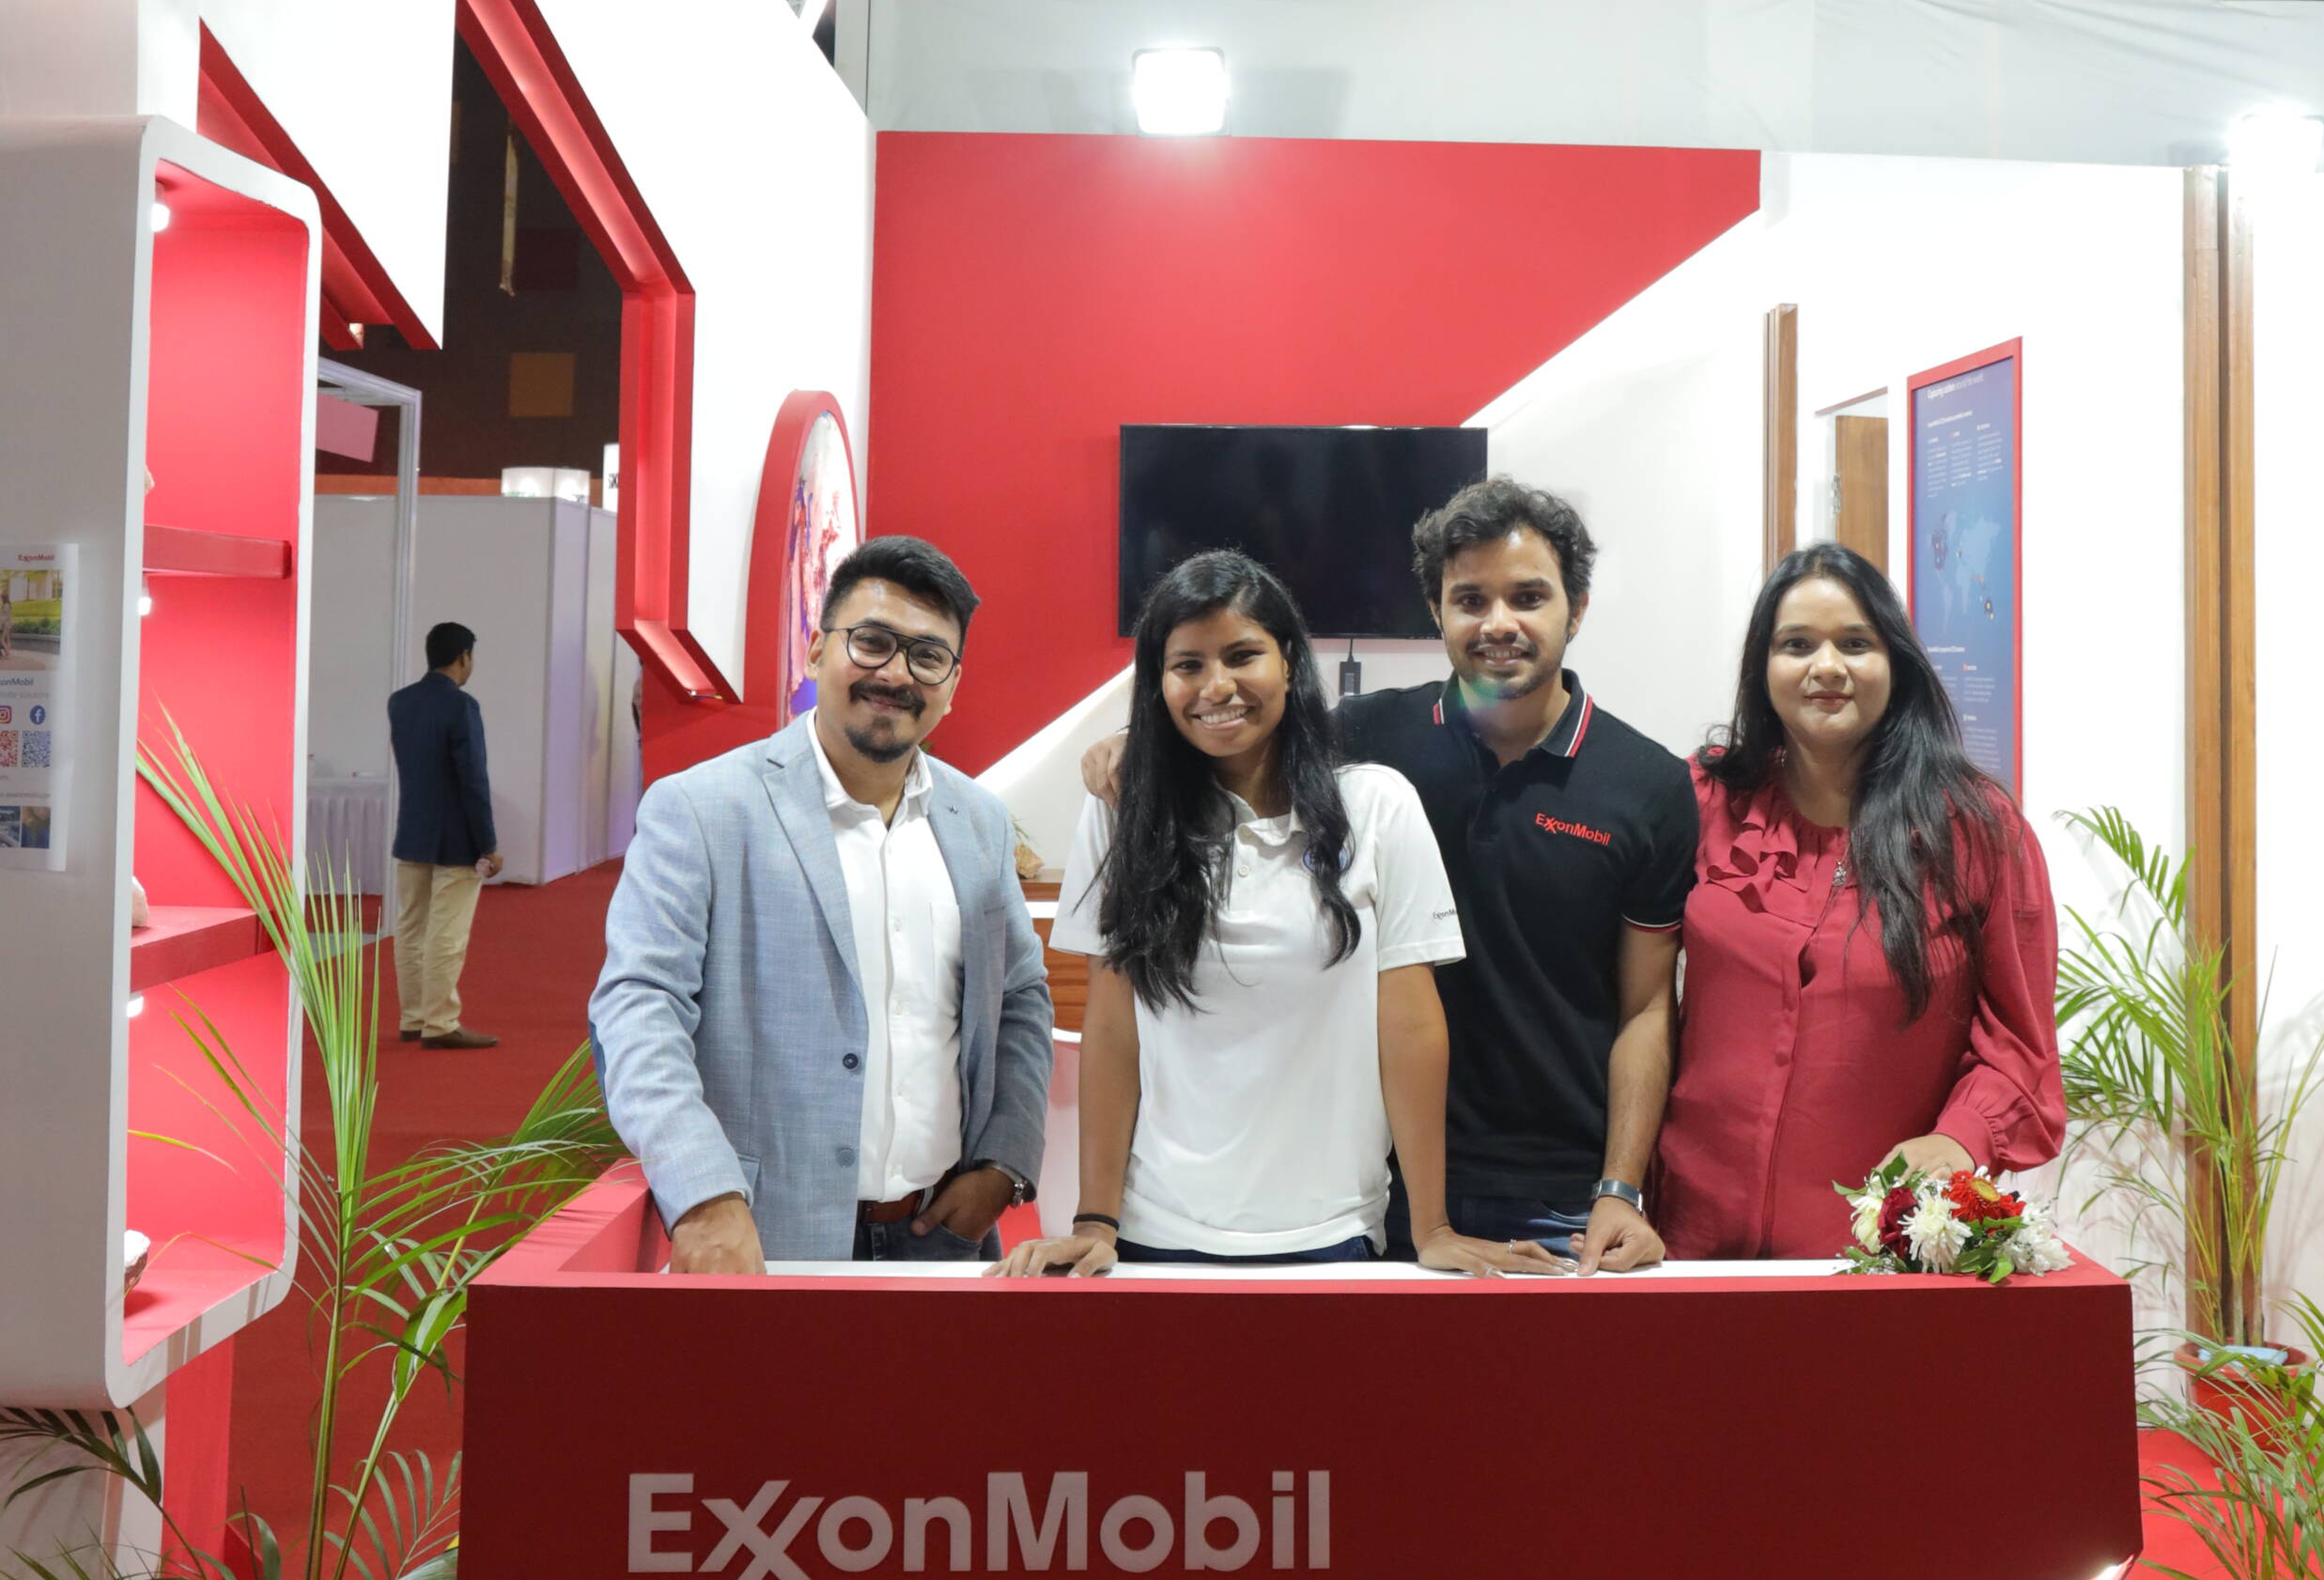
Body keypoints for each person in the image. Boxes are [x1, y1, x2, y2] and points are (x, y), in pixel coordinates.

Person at [1082, 477, 1694, 1272]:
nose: (1498, 622)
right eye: (1469, 598)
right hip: (1385, 1178)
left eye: (1528, 597)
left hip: (1561, 1188)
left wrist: (1621, 1185)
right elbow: (1239, 720)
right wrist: (1136, 741)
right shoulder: (1366, 741)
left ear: (1576, 609)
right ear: (1435, 610)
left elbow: (1647, 1006)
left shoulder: (1646, 781)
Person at [999, 550, 1555, 1278]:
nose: (1216, 686)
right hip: (1153, 1236)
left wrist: (1432, 1225)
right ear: (1158, 684)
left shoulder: (1376, 806)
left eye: (1242, 655)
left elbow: (1411, 1028)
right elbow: (1111, 1029)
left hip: (1332, 1233)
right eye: (1187, 665)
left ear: (1289, 663)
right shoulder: (1121, 816)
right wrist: (1096, 1221)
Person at [592, 534, 1052, 1269]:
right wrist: (704, 1194)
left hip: (946, 1235)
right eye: (871, 642)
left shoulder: (980, 822)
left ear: (953, 684)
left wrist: (1005, 1160)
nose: (896, 674)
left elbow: (1022, 996)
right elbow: (638, 1005)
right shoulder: (702, 809)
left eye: (927, 656)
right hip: (764, 1233)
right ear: (815, 651)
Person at [1655, 543, 2064, 1260]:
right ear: (1763, 666)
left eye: (1855, 643)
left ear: (1896, 662)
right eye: (1796, 645)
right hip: (1690, 1239)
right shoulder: (1703, 800)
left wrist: (1959, 1137)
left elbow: (2018, 1045)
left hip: (1873, 1258)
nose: (1826, 668)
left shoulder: (1977, 830)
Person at [388, 620, 504, 1051]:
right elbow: (473, 780)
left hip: (412, 831)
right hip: (456, 837)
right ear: (463, 658)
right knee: (446, 935)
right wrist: (488, 845)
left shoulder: (399, 702)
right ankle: (441, 1023)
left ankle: (413, 1018)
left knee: (411, 928)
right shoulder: (462, 707)